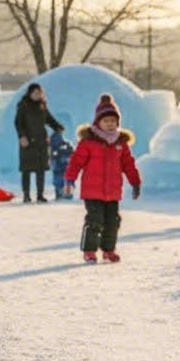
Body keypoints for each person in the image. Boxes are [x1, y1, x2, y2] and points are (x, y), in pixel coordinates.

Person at [63, 94, 141, 263]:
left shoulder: (121, 143)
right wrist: (70, 179)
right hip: (92, 191)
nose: (110, 124)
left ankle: (108, 250)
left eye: (113, 121)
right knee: (95, 220)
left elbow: (128, 165)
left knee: (113, 221)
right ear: (98, 122)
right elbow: (76, 162)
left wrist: (135, 182)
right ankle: (89, 250)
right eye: (106, 121)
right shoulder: (88, 142)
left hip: (112, 192)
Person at [14, 83, 64, 203]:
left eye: (39, 93)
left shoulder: (42, 106)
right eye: (35, 93)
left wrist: (57, 127)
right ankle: (26, 195)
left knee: (40, 169)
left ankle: (40, 195)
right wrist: (22, 136)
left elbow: (49, 119)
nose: (37, 95)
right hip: (27, 141)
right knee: (26, 169)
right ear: (30, 93)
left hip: (41, 140)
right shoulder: (23, 106)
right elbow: (18, 123)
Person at [49, 130, 75, 199]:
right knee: (66, 180)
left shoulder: (51, 145)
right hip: (64, 165)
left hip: (59, 166)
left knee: (59, 180)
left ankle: (61, 194)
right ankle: (67, 194)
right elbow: (72, 153)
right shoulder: (66, 144)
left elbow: (50, 157)